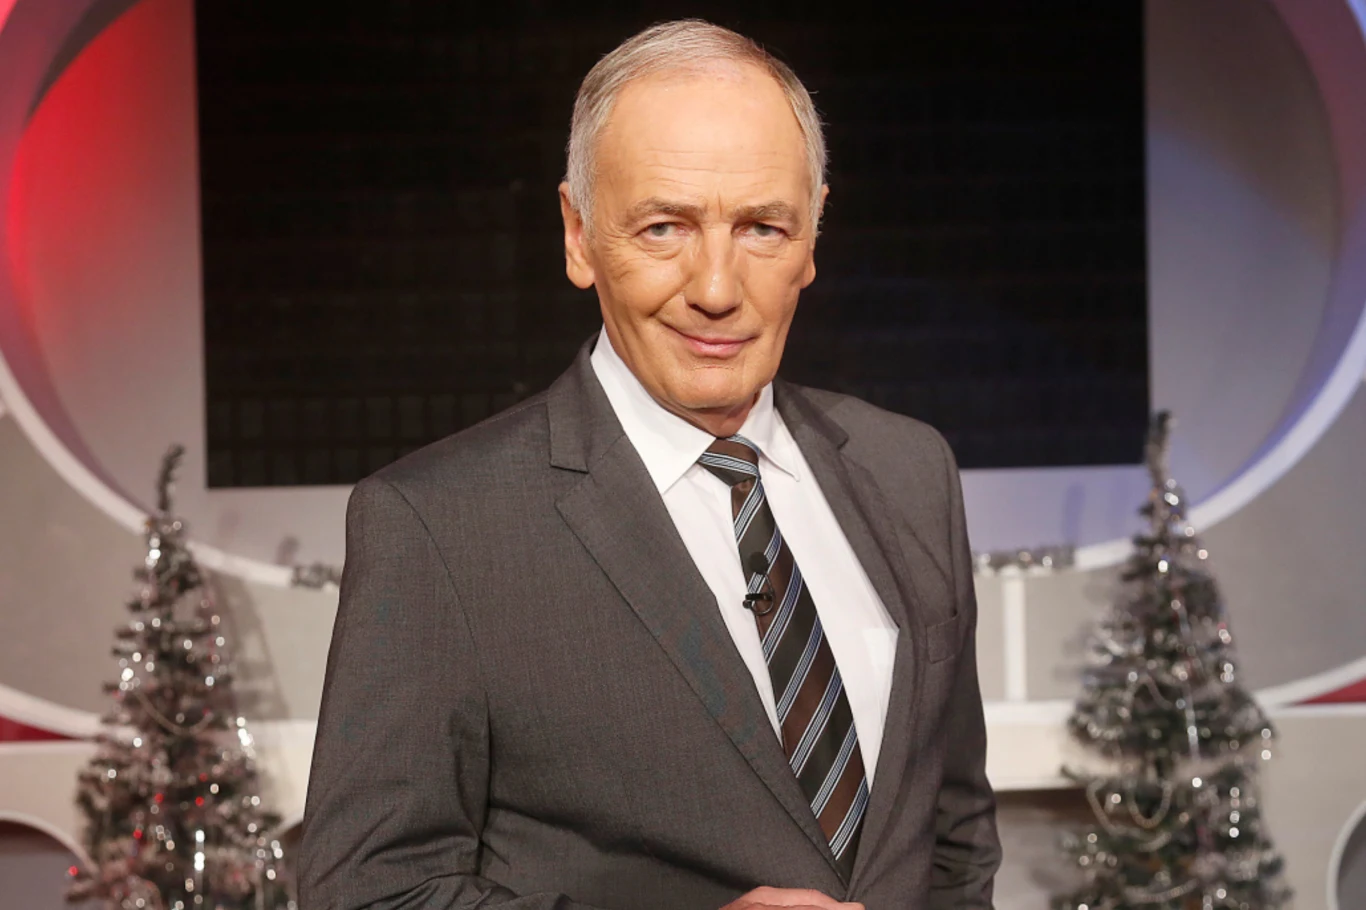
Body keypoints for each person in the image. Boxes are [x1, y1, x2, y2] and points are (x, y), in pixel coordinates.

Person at [299, 19, 1000, 910]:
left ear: (813, 236)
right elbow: (367, 894)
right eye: (665, 227)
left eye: (763, 228)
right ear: (579, 235)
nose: (716, 288)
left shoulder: (911, 470)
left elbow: (954, 844)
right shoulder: (439, 527)